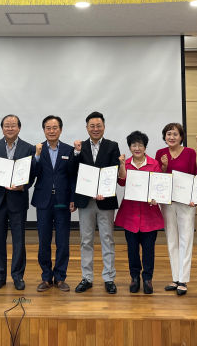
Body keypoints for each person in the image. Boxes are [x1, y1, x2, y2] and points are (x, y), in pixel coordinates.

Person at [0, 114, 36, 291]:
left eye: (13, 125)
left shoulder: (28, 148)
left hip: (18, 199)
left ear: (19, 128)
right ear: (2, 128)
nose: (10, 128)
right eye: (7, 125)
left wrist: (23, 186)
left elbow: (33, 173)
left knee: (19, 240)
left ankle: (17, 276)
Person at [73, 111, 122, 294]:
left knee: (107, 239)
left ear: (104, 127)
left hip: (105, 200)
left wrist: (104, 191)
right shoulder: (80, 146)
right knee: (86, 240)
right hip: (85, 201)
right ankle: (87, 278)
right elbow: (72, 171)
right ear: (87, 128)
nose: (95, 129)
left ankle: (109, 278)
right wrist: (76, 153)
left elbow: (113, 172)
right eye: (92, 126)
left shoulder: (112, 146)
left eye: (98, 125)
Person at [155, 123, 197, 296]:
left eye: (175, 134)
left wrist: (195, 198)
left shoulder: (190, 152)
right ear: (164, 136)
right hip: (167, 202)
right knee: (171, 239)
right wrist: (164, 167)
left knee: (186, 239)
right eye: (168, 134)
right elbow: (158, 178)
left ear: (181, 137)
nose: (172, 137)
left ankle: (183, 279)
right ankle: (175, 277)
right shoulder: (160, 153)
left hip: (186, 202)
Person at [116, 131, 164, 294]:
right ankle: (134, 277)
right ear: (130, 147)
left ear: (145, 147)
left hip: (149, 214)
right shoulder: (126, 164)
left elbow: (158, 185)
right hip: (130, 214)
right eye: (134, 145)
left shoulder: (154, 164)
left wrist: (156, 197)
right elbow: (122, 182)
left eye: (140, 145)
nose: (137, 148)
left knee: (149, 249)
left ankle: (148, 278)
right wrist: (122, 165)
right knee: (132, 250)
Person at [32, 115, 75, 292]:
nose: (51, 131)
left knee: (63, 241)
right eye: (48, 128)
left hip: (62, 201)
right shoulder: (38, 149)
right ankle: (46, 277)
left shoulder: (69, 150)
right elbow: (32, 174)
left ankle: (60, 277)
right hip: (44, 201)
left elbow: (73, 176)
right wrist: (36, 156)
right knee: (44, 241)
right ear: (44, 130)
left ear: (61, 130)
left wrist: (73, 198)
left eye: (55, 128)